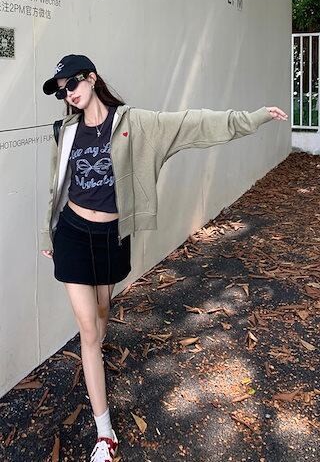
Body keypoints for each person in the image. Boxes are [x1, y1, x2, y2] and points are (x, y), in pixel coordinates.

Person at [40, 54, 288, 461]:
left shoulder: (134, 124)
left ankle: (98, 344)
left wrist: (254, 118)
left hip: (111, 236)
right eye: (62, 92)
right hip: (72, 233)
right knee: (88, 332)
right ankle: (104, 433)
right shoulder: (64, 132)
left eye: (73, 84)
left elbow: (193, 124)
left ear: (92, 78)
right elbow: (56, 186)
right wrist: (47, 232)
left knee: (101, 317)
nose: (69, 94)